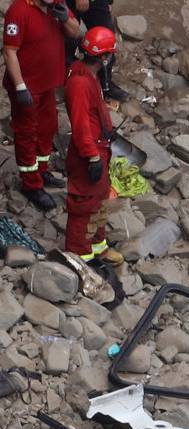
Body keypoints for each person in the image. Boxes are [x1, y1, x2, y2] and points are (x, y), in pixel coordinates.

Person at [4, 0, 80, 211]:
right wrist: (20, 86)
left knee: (47, 129)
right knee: (27, 134)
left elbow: (76, 31)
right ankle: (31, 183)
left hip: (48, 84)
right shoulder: (19, 11)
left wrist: (65, 18)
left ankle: (42, 169)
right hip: (28, 88)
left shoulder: (57, 4)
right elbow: (10, 51)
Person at [62, 24, 118, 266]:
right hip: (89, 153)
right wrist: (92, 156)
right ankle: (80, 257)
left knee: (100, 199)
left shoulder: (88, 76)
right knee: (84, 204)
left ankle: (98, 246)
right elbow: (81, 125)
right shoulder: (80, 83)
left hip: (99, 149)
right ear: (104, 57)